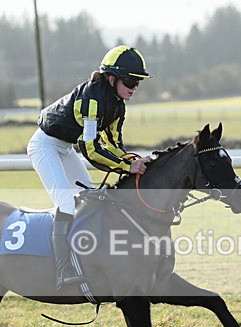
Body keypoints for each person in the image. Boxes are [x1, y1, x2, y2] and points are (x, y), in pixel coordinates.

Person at [27, 45, 152, 289]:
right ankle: (62, 270)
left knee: (90, 199)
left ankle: (88, 258)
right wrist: (128, 168)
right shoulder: (92, 98)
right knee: (65, 204)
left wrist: (130, 161)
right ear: (112, 78)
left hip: (65, 149)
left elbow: (114, 144)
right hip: (44, 146)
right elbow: (91, 148)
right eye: (130, 81)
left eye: (138, 82)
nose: (134, 87)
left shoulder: (117, 104)